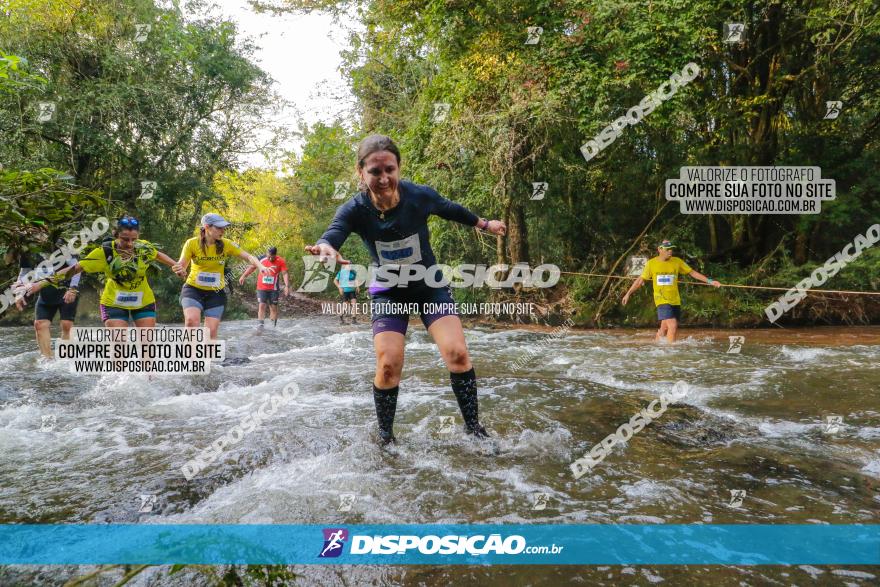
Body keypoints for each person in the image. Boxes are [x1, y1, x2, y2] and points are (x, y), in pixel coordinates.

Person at [305, 134, 507, 444]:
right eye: (375, 172)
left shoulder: (418, 196)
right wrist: (325, 247)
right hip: (389, 292)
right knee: (387, 365)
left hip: (429, 286)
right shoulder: (355, 209)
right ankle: (386, 438)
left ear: (398, 168)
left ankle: (474, 429)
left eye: (390, 170)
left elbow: (451, 209)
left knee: (457, 354)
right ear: (361, 173)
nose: (383, 178)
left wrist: (485, 224)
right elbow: (334, 232)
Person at [51, 216, 185, 328]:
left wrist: (176, 266)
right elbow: (75, 269)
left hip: (143, 301)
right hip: (113, 302)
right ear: (116, 235)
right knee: (118, 347)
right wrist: (44, 282)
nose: (130, 244)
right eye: (125, 239)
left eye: (134, 239)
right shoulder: (103, 252)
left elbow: (157, 255)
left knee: (147, 347)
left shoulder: (143, 247)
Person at [175, 213, 270, 339]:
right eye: (219, 228)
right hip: (193, 289)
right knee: (191, 322)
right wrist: (180, 270)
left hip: (216, 292)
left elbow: (248, 256)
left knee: (211, 331)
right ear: (207, 227)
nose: (223, 231)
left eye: (223, 228)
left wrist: (261, 266)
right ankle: (191, 358)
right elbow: (182, 265)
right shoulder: (191, 243)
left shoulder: (227, 244)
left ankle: (209, 358)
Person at [621, 239, 722, 342]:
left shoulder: (677, 261)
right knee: (673, 325)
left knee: (664, 328)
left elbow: (693, 273)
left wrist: (710, 281)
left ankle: (655, 345)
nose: (670, 251)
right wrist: (628, 294)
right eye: (667, 249)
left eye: (671, 249)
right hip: (661, 299)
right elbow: (639, 281)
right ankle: (671, 352)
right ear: (660, 249)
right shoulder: (651, 264)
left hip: (675, 300)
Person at [15, 241, 82, 357]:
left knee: (66, 325)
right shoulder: (27, 249)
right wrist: (19, 293)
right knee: (39, 325)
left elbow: (76, 268)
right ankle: (47, 359)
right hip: (45, 293)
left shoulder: (61, 245)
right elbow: (24, 272)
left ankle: (66, 358)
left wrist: (73, 288)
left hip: (66, 291)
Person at [239, 246, 289, 328]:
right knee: (262, 305)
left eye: (272, 257)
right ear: (266, 253)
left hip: (274, 288)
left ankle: (273, 326)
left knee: (273, 307)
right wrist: (244, 276)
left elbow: (285, 273)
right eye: (268, 256)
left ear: (275, 255)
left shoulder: (280, 261)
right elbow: (252, 267)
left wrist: (287, 286)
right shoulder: (261, 259)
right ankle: (261, 326)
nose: (270, 259)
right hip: (262, 288)